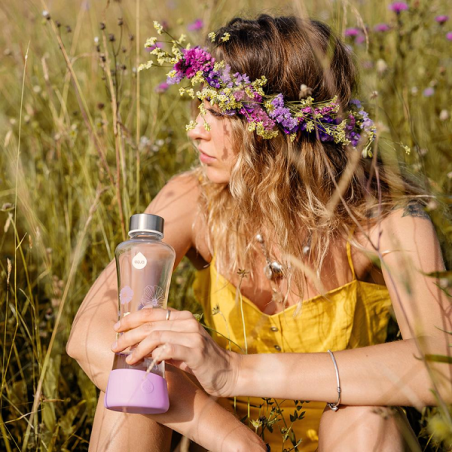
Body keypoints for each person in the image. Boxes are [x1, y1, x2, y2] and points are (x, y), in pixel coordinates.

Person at [67, 14, 451, 451]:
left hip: (343, 435)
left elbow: (441, 365)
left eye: (217, 113)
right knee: (129, 393)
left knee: (371, 418)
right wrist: (235, 440)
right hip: (222, 437)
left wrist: (235, 371)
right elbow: (89, 335)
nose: (195, 131)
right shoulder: (193, 198)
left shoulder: (386, 216)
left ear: (277, 128)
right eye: (199, 109)